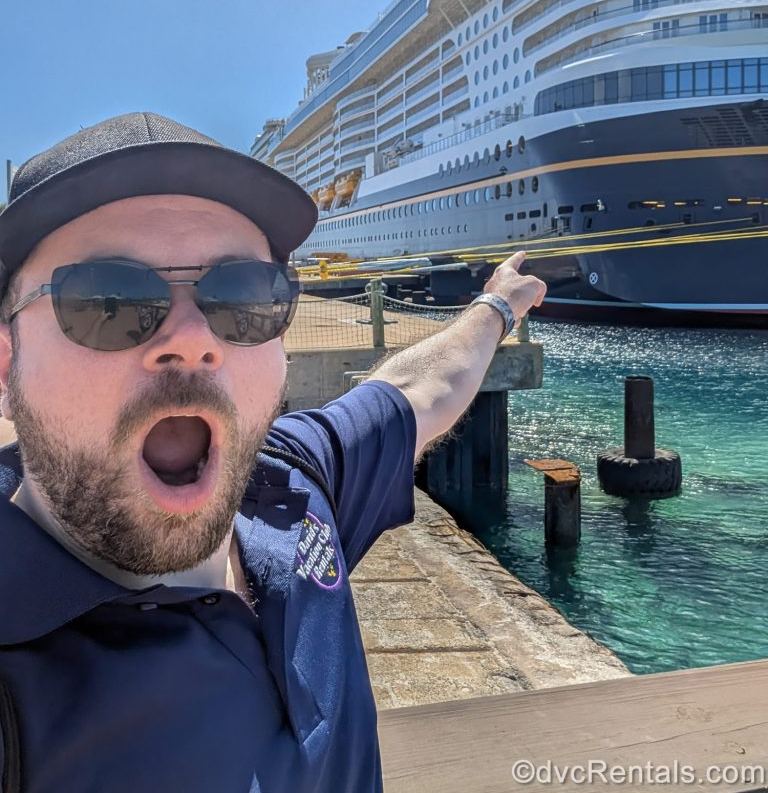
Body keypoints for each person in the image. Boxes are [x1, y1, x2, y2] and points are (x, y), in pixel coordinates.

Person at [0, 113, 546, 793]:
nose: (195, 340)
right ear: (5, 364)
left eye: (244, 296)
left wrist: (497, 305)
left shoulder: (293, 485)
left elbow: (418, 388)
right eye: (108, 298)